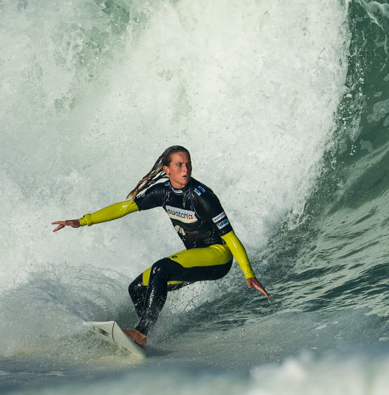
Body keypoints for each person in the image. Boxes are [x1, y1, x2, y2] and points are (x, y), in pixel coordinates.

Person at [52, 145, 269, 348]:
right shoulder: (161, 192)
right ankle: (148, 335)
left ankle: (141, 333)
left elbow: (230, 237)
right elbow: (124, 208)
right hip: (196, 253)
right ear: (166, 170)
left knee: (160, 269)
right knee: (137, 288)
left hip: (218, 256)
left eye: (188, 164)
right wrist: (83, 221)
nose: (185, 170)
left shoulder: (203, 197)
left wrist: (248, 273)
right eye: (179, 165)